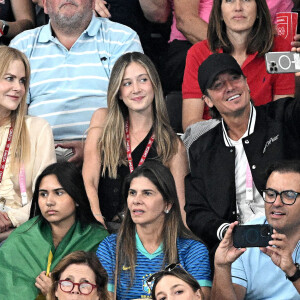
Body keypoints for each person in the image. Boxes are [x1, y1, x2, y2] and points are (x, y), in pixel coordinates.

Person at [185, 53, 300, 255]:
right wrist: (226, 232)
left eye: (235, 78)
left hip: (293, 241)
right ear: (208, 100)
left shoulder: (282, 116)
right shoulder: (201, 149)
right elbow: (196, 211)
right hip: (237, 251)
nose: (230, 87)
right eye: (218, 85)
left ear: (246, 83)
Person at [10, 0, 143, 166]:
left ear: (94, 1)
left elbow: (138, 111)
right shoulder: (22, 45)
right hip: (36, 159)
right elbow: (11, 114)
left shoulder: (122, 38)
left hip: (109, 157)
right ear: (44, 4)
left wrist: (93, 149)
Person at [83, 52, 189, 227]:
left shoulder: (172, 145)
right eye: (127, 83)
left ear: (154, 84)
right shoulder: (102, 120)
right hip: (103, 229)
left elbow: (180, 211)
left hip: (150, 237)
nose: (136, 89)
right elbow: (90, 181)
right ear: (118, 92)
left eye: (143, 80)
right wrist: (97, 221)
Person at [97, 161, 212, 299]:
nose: (136, 200)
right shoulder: (110, 247)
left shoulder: (192, 250)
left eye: (147, 193)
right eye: (132, 193)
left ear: (168, 204)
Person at [0, 162, 108, 299]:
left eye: (59, 193)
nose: (49, 201)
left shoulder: (99, 241)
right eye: (43, 194)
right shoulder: (20, 240)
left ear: (76, 198)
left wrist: (56, 292)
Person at [182, 0, 295, 131]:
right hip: (214, 144)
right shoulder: (197, 53)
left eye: (246, 0)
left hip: (266, 142)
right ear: (219, 12)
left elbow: (282, 117)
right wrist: (233, 137)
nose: (238, 7)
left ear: (259, 9)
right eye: (229, 1)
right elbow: (190, 124)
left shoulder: (282, 49)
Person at [212, 160, 300, 300]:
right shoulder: (246, 237)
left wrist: (292, 271)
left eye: (288, 195)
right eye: (271, 194)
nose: (276, 203)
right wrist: (222, 267)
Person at [0, 46, 55, 241]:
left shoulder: (38, 128)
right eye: (10, 78)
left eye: (22, 81)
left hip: (24, 231)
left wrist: (10, 218)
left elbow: (47, 194)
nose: (19, 88)